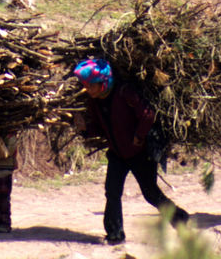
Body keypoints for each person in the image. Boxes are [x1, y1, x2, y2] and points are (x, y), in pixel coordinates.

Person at [73, 57, 189, 246]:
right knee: (112, 192)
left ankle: (179, 217)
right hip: (117, 154)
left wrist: (139, 136)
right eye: (86, 85)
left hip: (140, 153)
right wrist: (84, 129)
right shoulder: (95, 103)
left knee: (150, 194)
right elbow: (99, 130)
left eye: (91, 85)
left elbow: (147, 115)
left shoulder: (125, 92)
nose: (88, 89)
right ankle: (114, 234)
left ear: (103, 82)